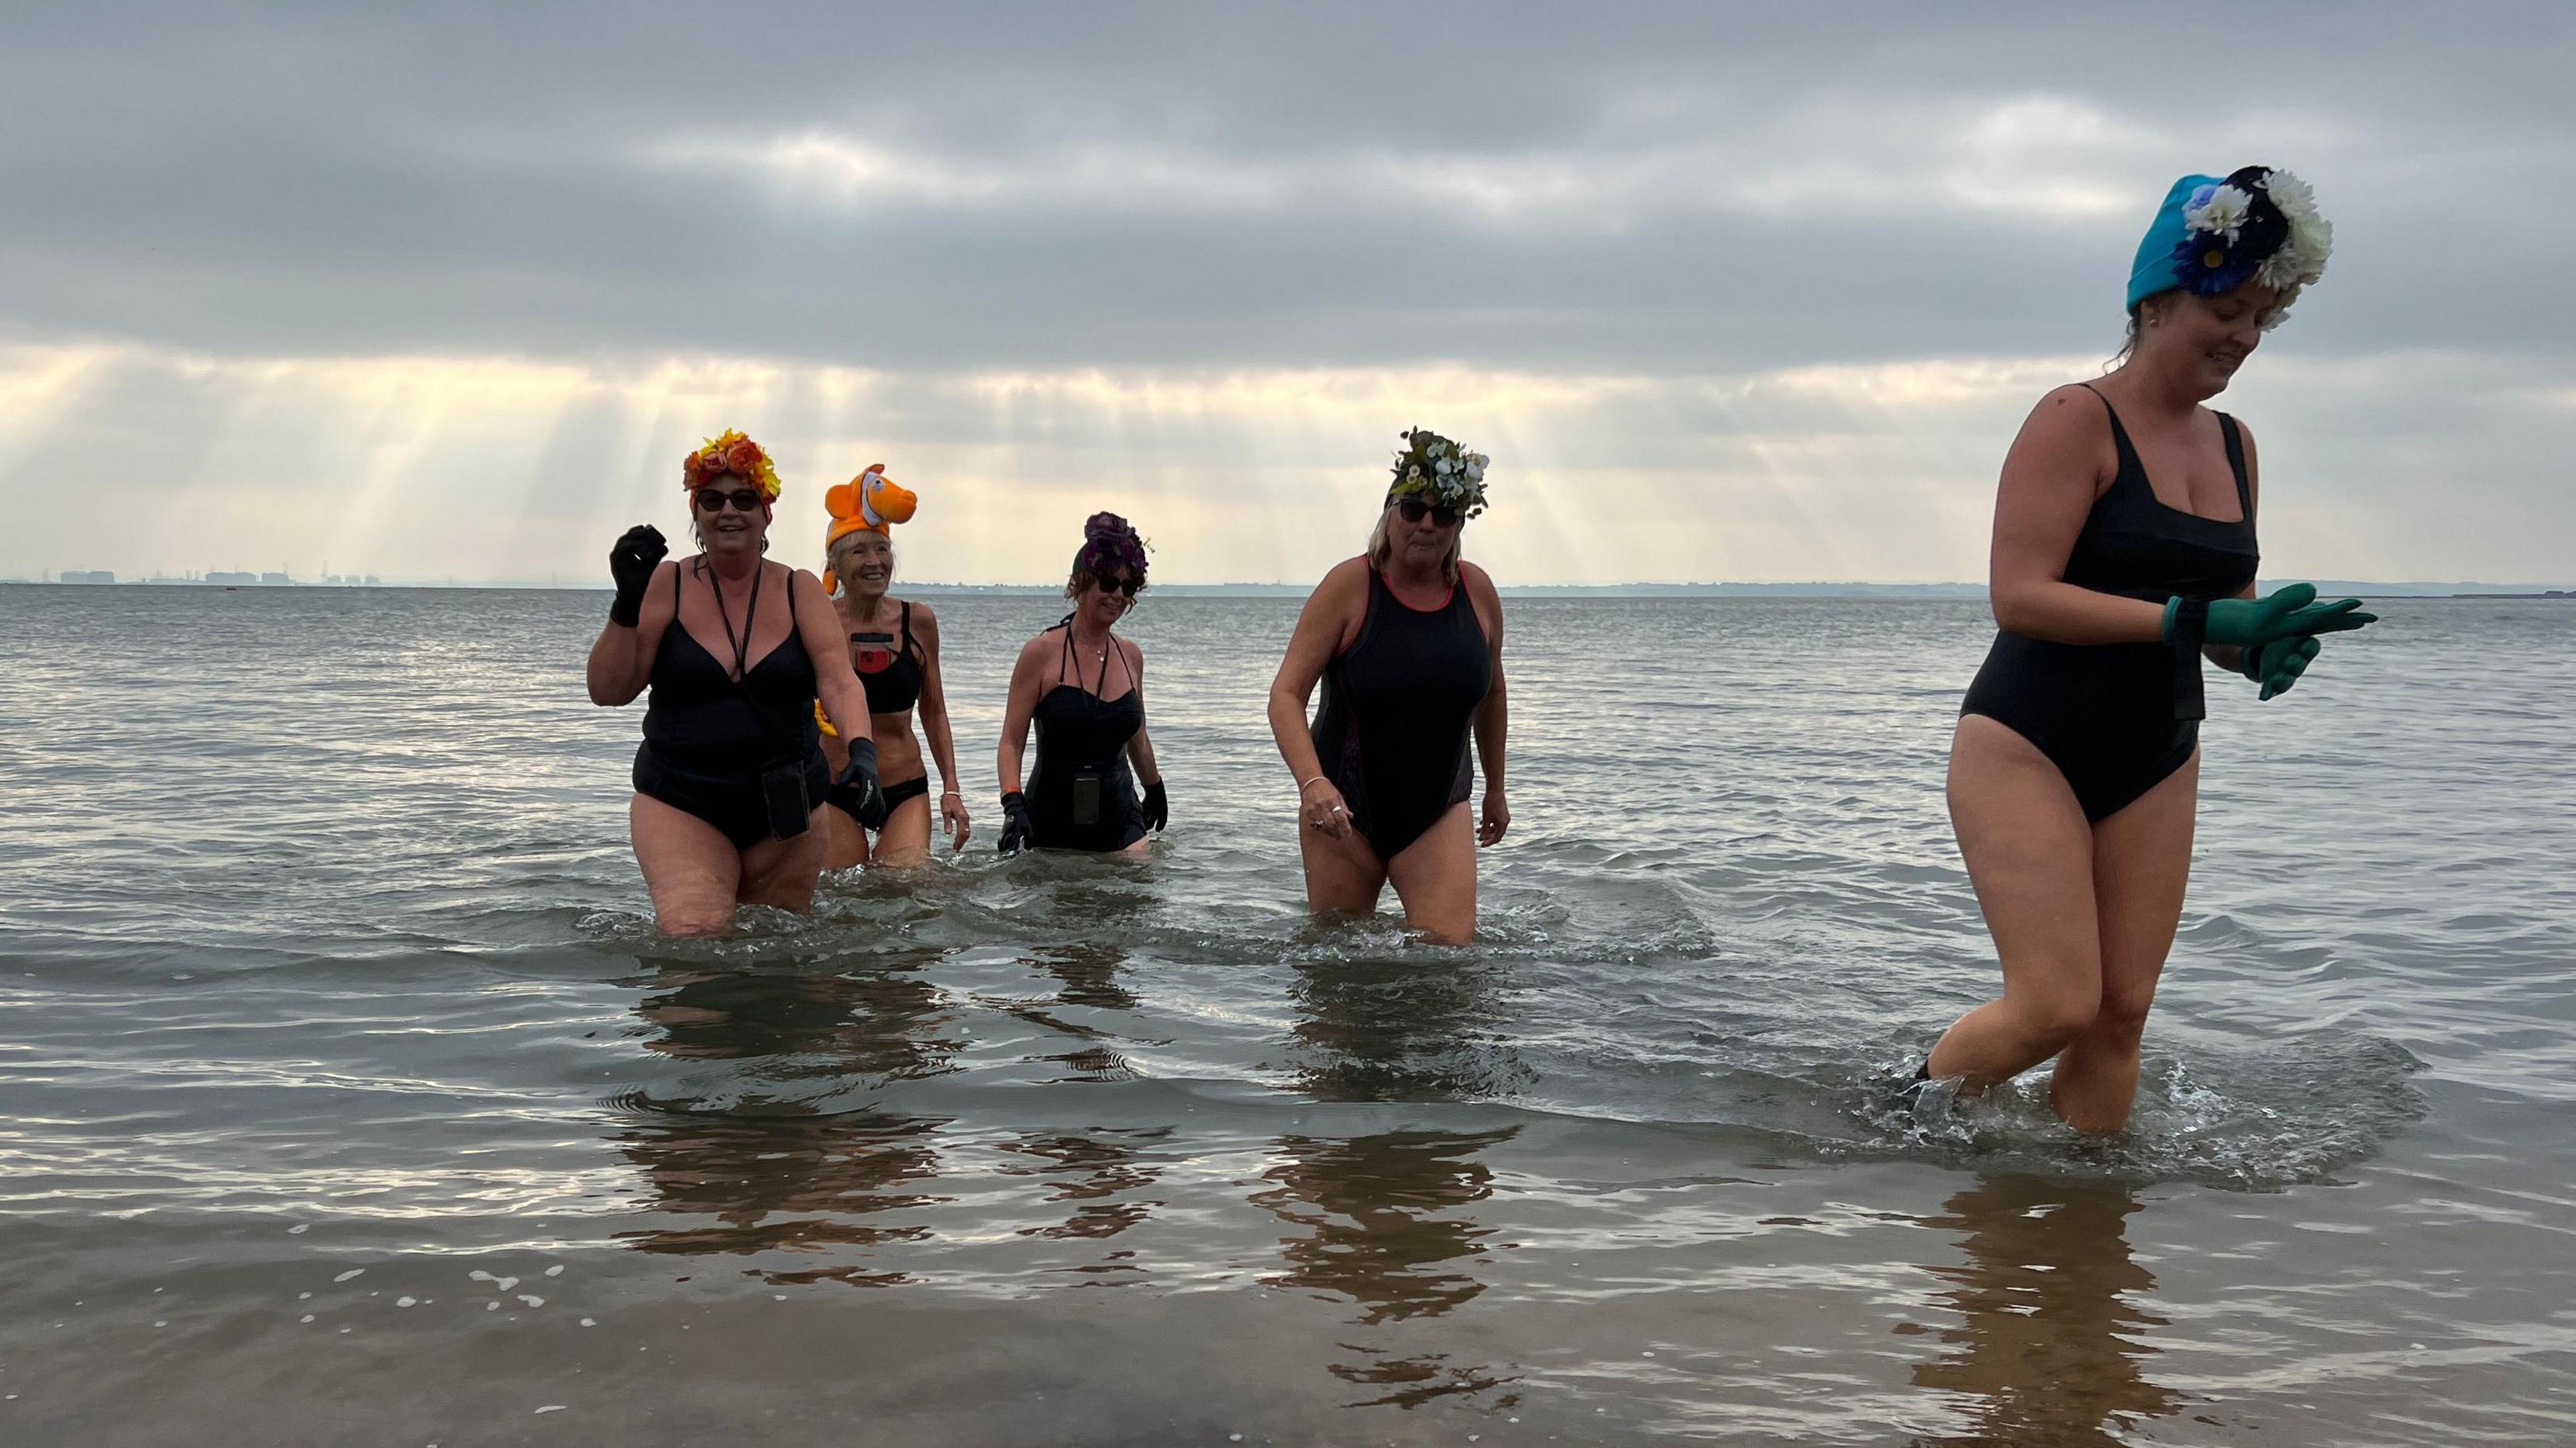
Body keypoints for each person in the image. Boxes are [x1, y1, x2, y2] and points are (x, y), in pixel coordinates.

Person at [1921, 169, 2376, 1130]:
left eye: (2263, 315)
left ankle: (2088, 1232)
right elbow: (2021, 594)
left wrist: (2261, 647)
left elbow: (2228, 610)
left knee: (2122, 1012)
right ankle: (1900, 1116)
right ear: (2158, 298)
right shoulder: (2074, 418)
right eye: (2228, 306)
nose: (2245, 335)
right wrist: (2191, 622)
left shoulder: (2237, 444)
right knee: (2056, 1003)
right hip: (2026, 739)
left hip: (2158, 749)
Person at [586, 430, 885, 934]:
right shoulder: (668, 583)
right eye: (712, 499)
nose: (728, 510)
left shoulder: (799, 589)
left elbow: (839, 681)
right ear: (696, 511)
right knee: (695, 931)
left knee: (779, 951)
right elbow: (609, 690)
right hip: (682, 798)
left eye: (744, 498)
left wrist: (863, 751)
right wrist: (625, 605)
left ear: (766, 512)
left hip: (789, 804)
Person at [1267, 429, 1509, 944]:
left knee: (1449, 968)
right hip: (1343, 813)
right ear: (1389, 512)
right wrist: (1312, 784)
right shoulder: (1349, 588)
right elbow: (1286, 695)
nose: (1426, 524)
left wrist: (1496, 787)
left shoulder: (1479, 593)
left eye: (1442, 514)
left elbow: (1493, 694)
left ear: (1458, 523)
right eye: (1413, 509)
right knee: (1338, 980)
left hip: (1439, 809)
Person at [815, 464, 969, 869]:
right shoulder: (817, 622)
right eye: (859, 551)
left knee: (906, 886)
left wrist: (951, 789)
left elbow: (934, 710)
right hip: (836, 787)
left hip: (904, 787)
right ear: (836, 563)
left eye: (882, 550)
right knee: (845, 906)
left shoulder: (918, 621)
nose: (874, 562)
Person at [994, 512, 1168, 856]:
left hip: (1121, 814)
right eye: (1107, 583)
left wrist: (1155, 788)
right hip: (1050, 814)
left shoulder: (1131, 656)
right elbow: (1011, 741)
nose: (1117, 595)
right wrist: (1012, 804)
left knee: (1141, 896)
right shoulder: (1040, 653)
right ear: (1080, 583)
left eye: (1128, 586)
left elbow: (1139, 737)